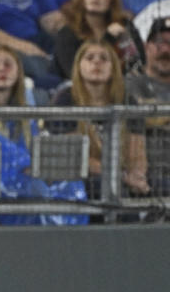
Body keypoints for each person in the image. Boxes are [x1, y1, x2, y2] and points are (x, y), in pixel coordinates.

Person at [0, 44, 88, 225]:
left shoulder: (25, 116)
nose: (1, 69)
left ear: (18, 72)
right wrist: (27, 166)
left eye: (7, 65)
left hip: (23, 187)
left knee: (69, 184)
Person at [49, 39, 149, 198]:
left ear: (114, 67)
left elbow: (137, 152)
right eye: (90, 58)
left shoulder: (127, 100)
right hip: (79, 176)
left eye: (104, 58)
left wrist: (137, 176)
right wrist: (120, 175)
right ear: (79, 66)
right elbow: (75, 156)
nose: (97, 62)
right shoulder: (66, 99)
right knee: (105, 186)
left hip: (120, 174)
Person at [53, 0, 144, 79]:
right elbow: (77, 76)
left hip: (123, 90)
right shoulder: (68, 33)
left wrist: (124, 41)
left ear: (112, 0)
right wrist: (108, 39)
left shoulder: (124, 25)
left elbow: (139, 68)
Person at [126, 17, 170, 196]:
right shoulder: (130, 83)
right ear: (146, 46)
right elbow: (134, 117)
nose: (166, 50)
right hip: (149, 173)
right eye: (160, 43)